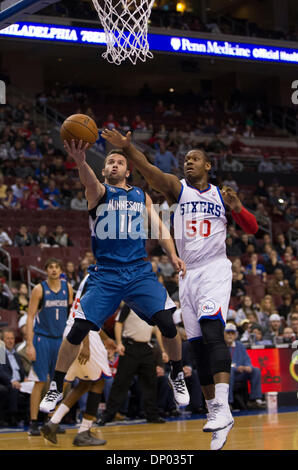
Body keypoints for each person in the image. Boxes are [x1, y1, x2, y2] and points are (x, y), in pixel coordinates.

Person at [101, 128, 259, 451]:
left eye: (195, 159)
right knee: (198, 347)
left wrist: (239, 207)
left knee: (213, 332)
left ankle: (224, 407)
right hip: (188, 275)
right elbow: (149, 170)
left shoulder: (220, 195)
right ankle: (217, 416)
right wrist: (129, 148)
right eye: (186, 159)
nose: (188, 163)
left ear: (208, 166)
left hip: (215, 268)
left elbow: (253, 229)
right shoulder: (178, 189)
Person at [39, 139, 190, 418]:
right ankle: (56, 385)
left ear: (128, 170)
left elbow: (159, 227)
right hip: (107, 272)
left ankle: (177, 374)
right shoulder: (99, 192)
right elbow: (88, 181)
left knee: (168, 322)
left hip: (138, 271)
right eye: (110, 162)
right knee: (78, 329)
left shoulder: (140, 195)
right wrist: (82, 161)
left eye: (120, 162)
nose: (115, 165)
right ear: (105, 169)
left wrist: (172, 254)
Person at [41, 277, 116, 446]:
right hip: (83, 334)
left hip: (77, 331)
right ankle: (84, 431)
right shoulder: (99, 278)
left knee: (84, 384)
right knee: (99, 381)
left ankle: (53, 423)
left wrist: (106, 338)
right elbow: (84, 315)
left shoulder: (92, 277)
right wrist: (86, 344)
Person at [26, 258, 74, 436]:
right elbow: (30, 316)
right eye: (50, 267)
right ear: (46, 270)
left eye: (56, 267)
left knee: (58, 382)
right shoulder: (39, 289)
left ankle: (51, 420)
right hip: (42, 339)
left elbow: (70, 314)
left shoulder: (67, 288)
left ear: (61, 270)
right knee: (39, 381)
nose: (53, 270)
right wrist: (30, 344)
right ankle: (33, 422)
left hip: (60, 339)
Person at [98, 304, 166, 426]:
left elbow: (157, 329)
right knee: (120, 383)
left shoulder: (152, 307)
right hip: (129, 346)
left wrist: (163, 350)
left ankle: (152, 415)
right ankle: (108, 415)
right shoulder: (129, 305)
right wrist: (119, 343)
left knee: (151, 383)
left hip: (147, 348)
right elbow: (119, 323)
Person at [224, 323, 265, 410]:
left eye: (232, 333)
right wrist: (236, 368)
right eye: (228, 333)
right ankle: (228, 402)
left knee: (255, 371)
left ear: (236, 335)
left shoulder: (239, 345)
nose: (230, 335)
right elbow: (222, 363)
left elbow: (246, 359)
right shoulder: (220, 346)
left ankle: (255, 399)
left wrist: (248, 366)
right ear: (223, 334)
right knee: (229, 372)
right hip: (227, 374)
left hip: (240, 373)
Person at [0, 328, 30, 426]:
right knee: (13, 388)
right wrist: (12, 380)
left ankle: (30, 417)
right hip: (8, 381)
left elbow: (21, 370)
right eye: (8, 338)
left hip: (19, 381)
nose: (10, 341)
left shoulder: (16, 354)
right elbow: (1, 371)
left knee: (33, 387)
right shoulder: (1, 353)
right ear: (3, 340)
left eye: (12, 338)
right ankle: (13, 417)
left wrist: (25, 377)